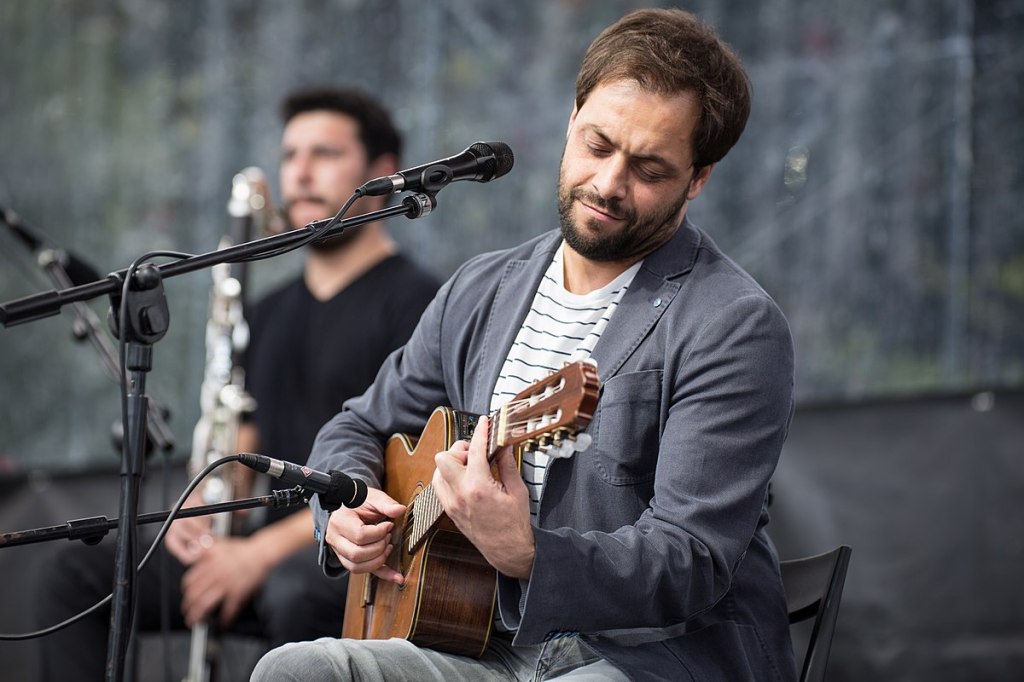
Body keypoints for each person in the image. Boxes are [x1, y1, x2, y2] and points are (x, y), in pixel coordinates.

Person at [253, 8, 797, 682]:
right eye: (598, 145)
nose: (608, 184)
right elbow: (360, 423)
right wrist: (345, 504)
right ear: (572, 122)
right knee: (294, 670)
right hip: (475, 646)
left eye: (649, 168)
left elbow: (692, 561)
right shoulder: (483, 287)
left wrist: (531, 555)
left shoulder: (733, 324)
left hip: (643, 656)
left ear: (699, 178)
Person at [32, 86, 439, 679]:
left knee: (293, 596)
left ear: (383, 174)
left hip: (343, 556)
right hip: (254, 547)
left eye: (324, 154)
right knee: (76, 577)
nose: (299, 173)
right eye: (290, 155)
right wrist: (206, 502)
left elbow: (403, 477)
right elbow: (248, 439)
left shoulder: (418, 304)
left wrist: (253, 555)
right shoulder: (269, 311)